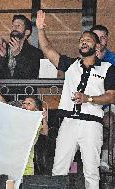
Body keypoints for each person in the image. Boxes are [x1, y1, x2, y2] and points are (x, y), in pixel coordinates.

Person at [36, 10, 115, 189]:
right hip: (69, 122)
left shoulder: (107, 69)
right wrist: (40, 29)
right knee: (59, 168)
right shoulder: (71, 65)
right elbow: (48, 51)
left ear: (97, 46)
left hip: (92, 124)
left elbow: (112, 95)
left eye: (88, 40)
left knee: (91, 172)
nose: (83, 42)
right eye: (81, 40)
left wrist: (88, 98)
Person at [0, 82, 48, 175]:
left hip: (26, 165)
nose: (24, 105)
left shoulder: (36, 122)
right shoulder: (17, 117)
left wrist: (43, 119)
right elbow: (4, 105)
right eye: (24, 103)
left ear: (36, 109)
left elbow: (45, 132)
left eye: (29, 104)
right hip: (10, 162)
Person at [0, 14, 44, 79]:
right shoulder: (2, 49)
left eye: (18, 26)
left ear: (27, 32)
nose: (14, 28)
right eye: (13, 26)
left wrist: (18, 55)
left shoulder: (35, 52)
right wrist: (1, 57)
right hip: (3, 89)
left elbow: (31, 76)